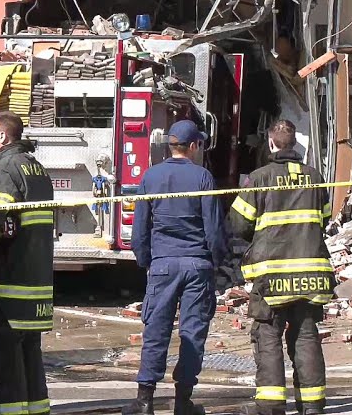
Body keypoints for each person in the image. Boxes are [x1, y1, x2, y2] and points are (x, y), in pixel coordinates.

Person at [122, 120, 228, 415]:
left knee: (156, 331)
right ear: (193, 146)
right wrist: (217, 262)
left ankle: (144, 401)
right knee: (192, 332)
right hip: (197, 265)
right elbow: (214, 228)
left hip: (163, 265)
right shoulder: (203, 177)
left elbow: (140, 228)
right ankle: (183, 402)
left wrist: (147, 261)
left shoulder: (151, 176)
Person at [229, 120, 333, 415]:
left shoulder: (260, 178)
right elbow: (323, 219)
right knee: (306, 334)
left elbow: (238, 224)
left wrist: (259, 234)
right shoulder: (315, 178)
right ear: (296, 146)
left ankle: (271, 404)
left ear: (271, 144)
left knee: (267, 334)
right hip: (311, 274)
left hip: (271, 276)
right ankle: (312, 405)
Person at [0, 112, 54, 415]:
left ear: (3, 137)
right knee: (30, 360)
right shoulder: (37, 168)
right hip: (35, 283)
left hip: (9, 283)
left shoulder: (4, 168)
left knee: (5, 363)